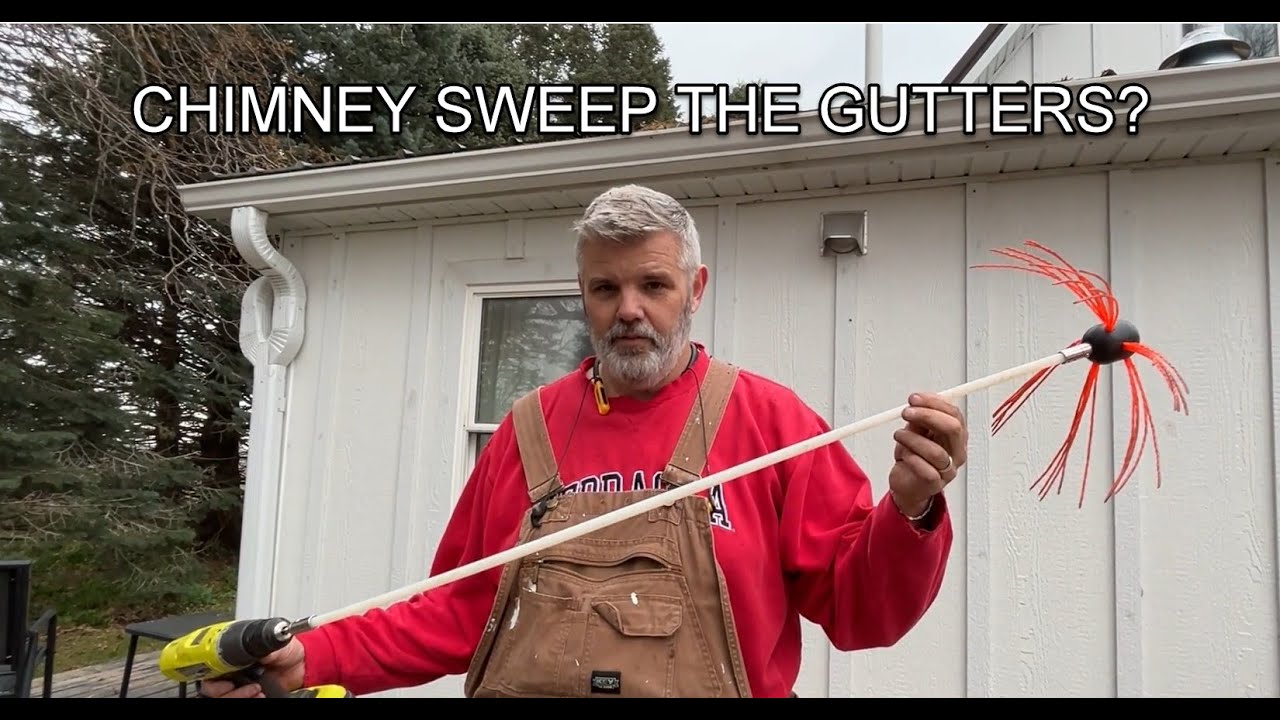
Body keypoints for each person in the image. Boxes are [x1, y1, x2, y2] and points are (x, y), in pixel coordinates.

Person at [203, 184, 966, 699]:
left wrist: (912, 508)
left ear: (694, 290)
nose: (628, 310)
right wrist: (314, 656)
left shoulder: (772, 422)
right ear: (584, 295)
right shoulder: (526, 430)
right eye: (606, 289)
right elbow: (456, 611)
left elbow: (865, 614)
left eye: (653, 286)